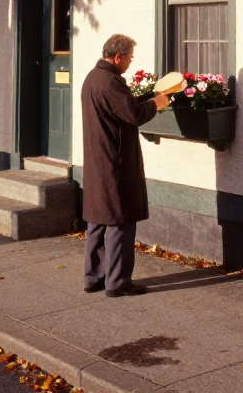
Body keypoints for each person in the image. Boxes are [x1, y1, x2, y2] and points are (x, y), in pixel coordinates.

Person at [81, 33, 169, 297]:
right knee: (119, 219)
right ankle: (118, 282)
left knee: (98, 219)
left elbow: (122, 108)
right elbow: (134, 114)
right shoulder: (110, 82)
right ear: (117, 56)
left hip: (97, 159)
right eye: (130, 57)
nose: (131, 62)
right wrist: (157, 103)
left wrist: (147, 97)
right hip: (115, 162)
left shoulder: (93, 77)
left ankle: (94, 277)